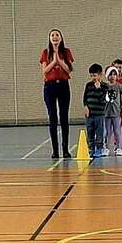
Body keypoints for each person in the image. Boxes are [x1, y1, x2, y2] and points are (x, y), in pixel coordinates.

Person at [39, 29, 74, 160]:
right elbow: (45, 71)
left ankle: (65, 149)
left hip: (63, 85)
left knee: (64, 117)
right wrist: (54, 62)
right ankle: (55, 150)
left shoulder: (66, 51)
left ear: (61, 38)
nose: (55, 37)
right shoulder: (45, 53)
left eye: (57, 35)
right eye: (52, 35)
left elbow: (68, 69)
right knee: (52, 117)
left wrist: (59, 60)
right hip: (50, 87)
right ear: (49, 38)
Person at [81, 64, 108, 159]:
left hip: (99, 114)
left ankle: (99, 148)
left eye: (95, 75)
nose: (93, 78)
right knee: (90, 131)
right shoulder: (88, 85)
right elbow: (85, 97)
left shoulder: (104, 87)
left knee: (99, 132)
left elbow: (103, 100)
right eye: (91, 76)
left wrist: (99, 88)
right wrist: (85, 106)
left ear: (100, 75)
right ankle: (91, 148)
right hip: (89, 114)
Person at [103, 65, 122, 156]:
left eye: (114, 74)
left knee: (117, 131)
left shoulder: (119, 86)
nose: (112, 77)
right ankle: (106, 147)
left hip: (116, 113)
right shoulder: (104, 86)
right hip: (106, 113)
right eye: (110, 74)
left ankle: (119, 147)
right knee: (106, 132)